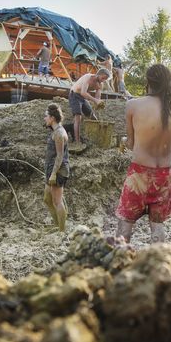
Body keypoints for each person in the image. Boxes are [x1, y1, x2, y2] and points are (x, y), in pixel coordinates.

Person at [115, 64, 171, 243]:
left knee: (125, 225)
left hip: (140, 174)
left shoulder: (133, 105)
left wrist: (123, 142)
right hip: (164, 175)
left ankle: (120, 265)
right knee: (157, 226)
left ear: (148, 81)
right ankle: (157, 267)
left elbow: (131, 144)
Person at [43, 103, 70, 232]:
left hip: (58, 170)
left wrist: (54, 174)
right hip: (51, 169)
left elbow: (60, 156)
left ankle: (62, 231)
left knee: (57, 201)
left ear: (52, 118)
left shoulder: (59, 133)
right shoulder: (55, 131)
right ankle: (56, 224)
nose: (44, 118)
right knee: (47, 199)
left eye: (46, 116)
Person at [68, 68, 110, 145]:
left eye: (105, 79)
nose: (103, 80)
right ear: (98, 74)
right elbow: (83, 92)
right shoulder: (88, 77)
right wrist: (95, 100)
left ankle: (97, 137)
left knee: (93, 117)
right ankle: (77, 142)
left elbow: (98, 95)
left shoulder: (100, 84)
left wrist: (98, 102)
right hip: (75, 95)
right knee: (78, 117)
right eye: (103, 78)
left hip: (83, 98)